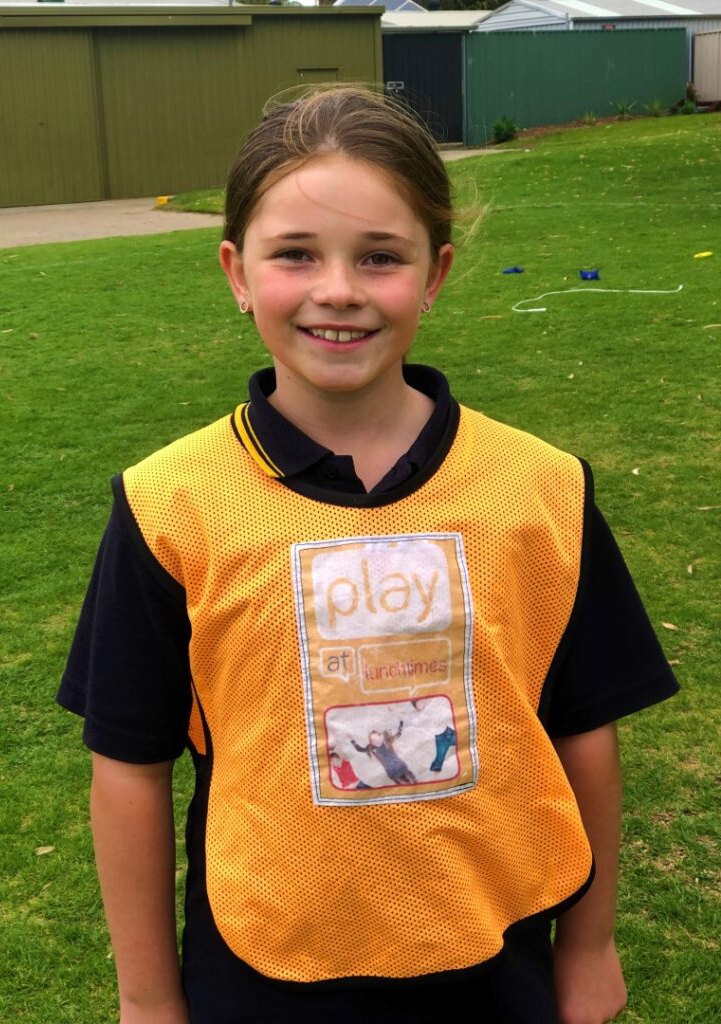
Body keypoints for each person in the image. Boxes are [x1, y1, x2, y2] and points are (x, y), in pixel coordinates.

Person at [57, 86, 679, 1024]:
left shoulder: (540, 488)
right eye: (295, 254)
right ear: (236, 271)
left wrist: (588, 946)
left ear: (435, 273)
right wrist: (146, 999)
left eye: (380, 257)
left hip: (497, 961)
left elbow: (585, 731)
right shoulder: (170, 506)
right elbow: (129, 765)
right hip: (262, 968)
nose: (339, 290)